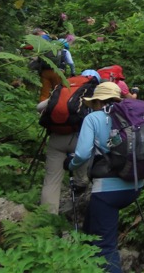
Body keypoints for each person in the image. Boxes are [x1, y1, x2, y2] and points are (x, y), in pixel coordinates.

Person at [66, 82, 143, 272]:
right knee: (92, 221)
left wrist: (70, 164)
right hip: (135, 184)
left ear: (97, 101)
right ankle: (88, 259)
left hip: (108, 191)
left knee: (105, 248)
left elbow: (82, 154)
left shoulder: (93, 118)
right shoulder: (132, 116)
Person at [37, 69, 101, 214]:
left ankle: (47, 221)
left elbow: (39, 107)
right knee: (82, 173)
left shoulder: (64, 88)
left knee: (51, 180)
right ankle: (79, 191)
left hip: (57, 138)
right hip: (80, 138)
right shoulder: (93, 93)